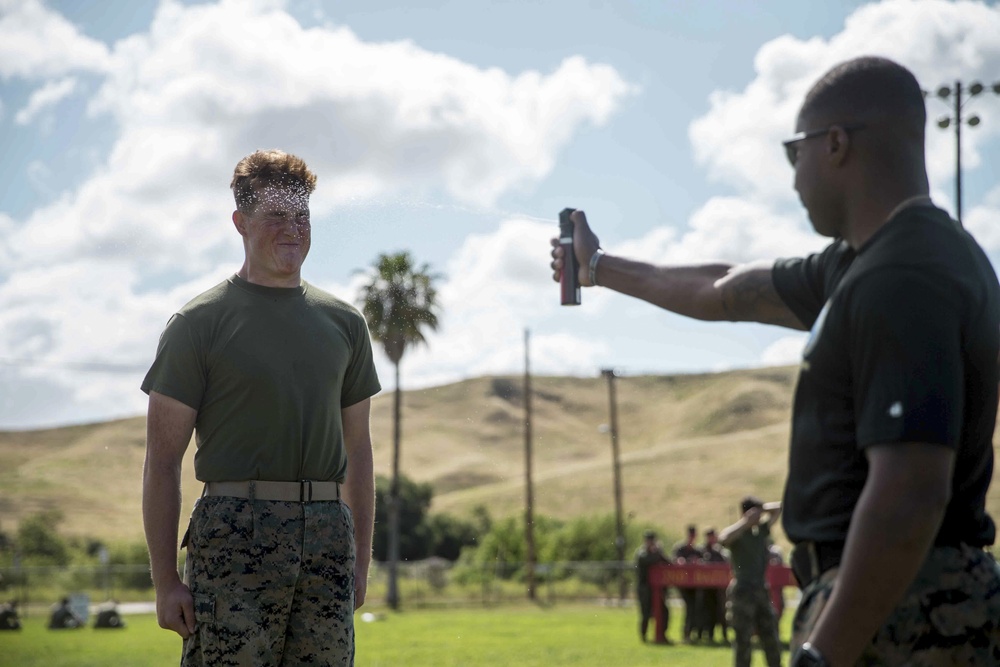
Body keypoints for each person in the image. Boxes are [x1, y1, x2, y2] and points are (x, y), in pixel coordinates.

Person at [550, 55, 1000, 665]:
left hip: (905, 614)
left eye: (796, 153)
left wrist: (823, 652)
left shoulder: (904, 275)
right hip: (892, 603)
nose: (793, 179)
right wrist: (598, 268)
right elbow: (725, 288)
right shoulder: (867, 261)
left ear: (836, 144)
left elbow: (910, 492)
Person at [142, 149, 381, 666]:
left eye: (302, 216)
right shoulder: (197, 323)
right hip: (233, 536)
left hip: (328, 540)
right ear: (240, 222)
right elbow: (162, 460)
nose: (292, 229)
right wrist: (165, 581)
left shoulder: (345, 324)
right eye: (276, 215)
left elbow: (358, 452)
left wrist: (358, 563)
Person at [719, 497, 783, 667]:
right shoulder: (738, 534)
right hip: (742, 591)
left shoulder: (760, 531)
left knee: (770, 636)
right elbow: (723, 538)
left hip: (761, 590)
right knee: (743, 639)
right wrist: (745, 521)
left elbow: (779, 509)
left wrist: (762, 509)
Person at [634, 529, 672, 644]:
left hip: (656, 589)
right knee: (645, 614)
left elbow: (668, 562)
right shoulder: (641, 553)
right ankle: (644, 636)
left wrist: (660, 552)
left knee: (663, 612)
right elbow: (648, 560)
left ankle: (662, 635)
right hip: (644, 588)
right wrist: (657, 552)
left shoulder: (656, 553)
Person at [671, 524, 703, 643]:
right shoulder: (680, 548)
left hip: (696, 584)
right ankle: (686, 633)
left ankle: (693, 633)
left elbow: (704, 563)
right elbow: (674, 560)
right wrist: (680, 562)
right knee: (689, 608)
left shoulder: (698, 550)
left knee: (696, 609)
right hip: (683, 584)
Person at [699, 528, 729, 644]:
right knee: (708, 612)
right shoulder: (702, 550)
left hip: (720, 588)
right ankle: (709, 635)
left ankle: (725, 635)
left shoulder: (721, 551)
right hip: (707, 588)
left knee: (722, 612)